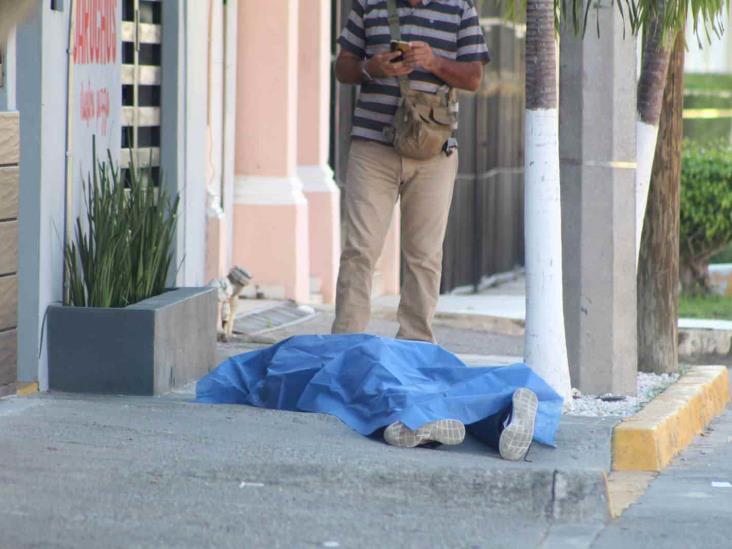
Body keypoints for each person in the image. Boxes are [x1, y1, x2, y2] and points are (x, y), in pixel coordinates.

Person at [332, 0, 491, 343]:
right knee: (360, 250)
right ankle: (345, 345)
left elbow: (474, 77)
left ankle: (416, 346)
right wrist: (371, 67)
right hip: (373, 147)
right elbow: (342, 68)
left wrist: (433, 61)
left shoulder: (459, 8)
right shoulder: (367, 5)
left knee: (425, 255)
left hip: (435, 151)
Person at [196, 335, 561, 461]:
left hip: (367, 358)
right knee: (453, 384)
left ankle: (407, 424)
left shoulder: (285, 356)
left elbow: (266, 384)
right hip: (409, 356)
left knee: (373, 386)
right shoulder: (294, 350)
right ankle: (505, 417)